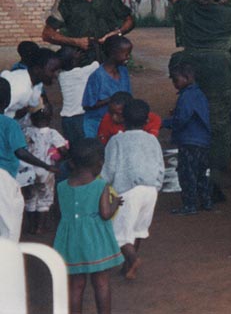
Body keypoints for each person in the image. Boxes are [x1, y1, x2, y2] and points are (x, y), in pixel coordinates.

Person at [170, 0, 231, 198]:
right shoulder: (230, 14)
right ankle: (214, 179)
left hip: (192, 69)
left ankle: (192, 174)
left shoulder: (188, 7)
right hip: (219, 70)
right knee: (218, 124)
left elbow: (176, 1)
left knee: (192, 117)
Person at [54, 138, 123, 314]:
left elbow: (60, 212)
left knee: (75, 286)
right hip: (95, 241)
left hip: (70, 241)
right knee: (101, 283)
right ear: (100, 163)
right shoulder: (101, 185)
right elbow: (105, 214)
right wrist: (115, 202)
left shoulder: (61, 187)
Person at [101, 100, 164, 280]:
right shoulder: (152, 139)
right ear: (146, 121)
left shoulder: (117, 140)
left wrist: (104, 186)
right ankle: (129, 265)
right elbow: (160, 164)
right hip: (150, 189)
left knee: (118, 233)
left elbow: (110, 168)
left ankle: (133, 259)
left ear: (122, 119)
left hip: (128, 190)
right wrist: (157, 185)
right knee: (138, 229)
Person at [0, 79, 58, 242]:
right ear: (7, 101)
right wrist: (45, 165)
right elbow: (20, 152)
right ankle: (8, 260)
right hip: (3, 179)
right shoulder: (9, 125)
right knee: (8, 224)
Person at [164, 62, 213, 215]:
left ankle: (189, 205)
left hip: (189, 141)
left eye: (175, 80)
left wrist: (164, 123)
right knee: (201, 173)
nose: (174, 84)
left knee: (187, 174)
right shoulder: (198, 94)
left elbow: (181, 119)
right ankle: (206, 201)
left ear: (187, 78)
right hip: (203, 141)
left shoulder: (186, 96)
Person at [22, 108, 66, 234]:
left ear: (31, 118)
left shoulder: (26, 131)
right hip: (46, 171)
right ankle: (39, 227)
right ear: (50, 118)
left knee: (30, 198)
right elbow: (62, 150)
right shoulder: (52, 133)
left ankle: (31, 226)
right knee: (44, 199)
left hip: (28, 171)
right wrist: (60, 156)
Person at [82, 36, 132, 139]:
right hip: (96, 124)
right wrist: (111, 99)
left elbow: (128, 97)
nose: (128, 57)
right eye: (126, 54)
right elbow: (87, 105)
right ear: (113, 53)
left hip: (118, 124)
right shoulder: (97, 76)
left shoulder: (123, 71)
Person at [1, 47, 61, 120]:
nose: (56, 75)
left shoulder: (37, 84)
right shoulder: (19, 88)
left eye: (58, 70)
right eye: (52, 70)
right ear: (37, 69)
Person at [57, 46, 99, 144]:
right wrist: (95, 45)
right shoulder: (81, 73)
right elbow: (97, 63)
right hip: (79, 117)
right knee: (84, 145)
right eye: (76, 54)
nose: (79, 54)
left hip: (66, 119)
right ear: (73, 61)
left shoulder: (61, 76)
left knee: (72, 146)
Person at [97, 91, 162, 145]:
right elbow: (104, 144)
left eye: (118, 114)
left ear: (129, 110)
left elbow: (148, 143)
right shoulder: (106, 119)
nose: (114, 117)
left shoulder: (151, 119)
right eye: (111, 113)